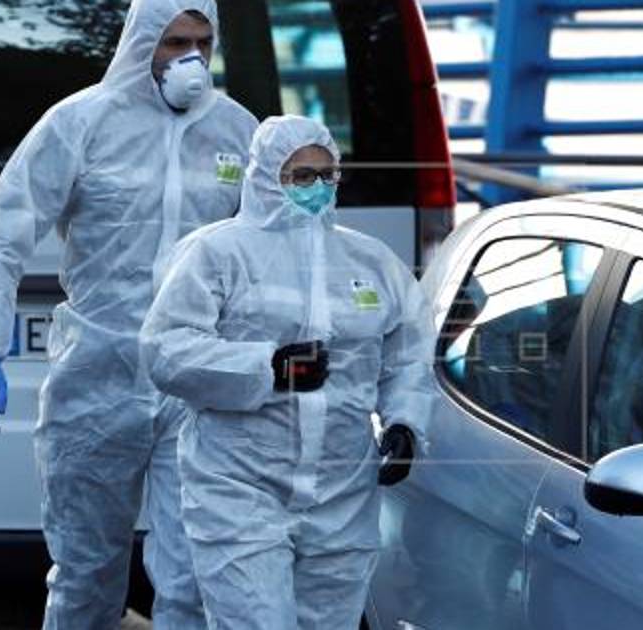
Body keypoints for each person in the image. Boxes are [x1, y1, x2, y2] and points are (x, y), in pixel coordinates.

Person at [0, 1, 258, 628]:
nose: (191, 57)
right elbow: (0, 237)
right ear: (142, 41)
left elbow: (273, 251)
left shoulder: (238, 132)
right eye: (174, 41)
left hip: (196, 385)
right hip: (97, 378)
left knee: (195, 575)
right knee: (87, 575)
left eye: (203, 41)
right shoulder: (80, 123)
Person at [140, 115, 435, 629]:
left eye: (326, 175)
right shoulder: (217, 252)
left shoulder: (371, 261)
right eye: (301, 176)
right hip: (239, 485)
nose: (316, 188)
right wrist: (268, 368)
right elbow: (166, 349)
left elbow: (409, 354)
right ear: (265, 177)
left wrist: (405, 423)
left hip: (342, 492)